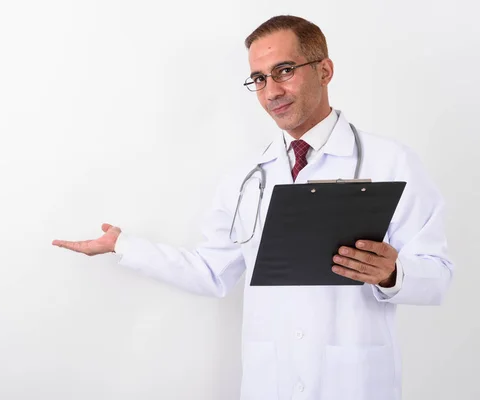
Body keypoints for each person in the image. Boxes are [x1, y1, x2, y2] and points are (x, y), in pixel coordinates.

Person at [52, 15, 453, 400]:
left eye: (284, 70)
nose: (271, 91)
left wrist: (393, 273)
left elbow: (438, 275)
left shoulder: (391, 163)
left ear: (325, 70)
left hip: (353, 383)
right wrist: (124, 246)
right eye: (259, 79)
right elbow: (213, 273)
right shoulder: (246, 177)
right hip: (271, 381)